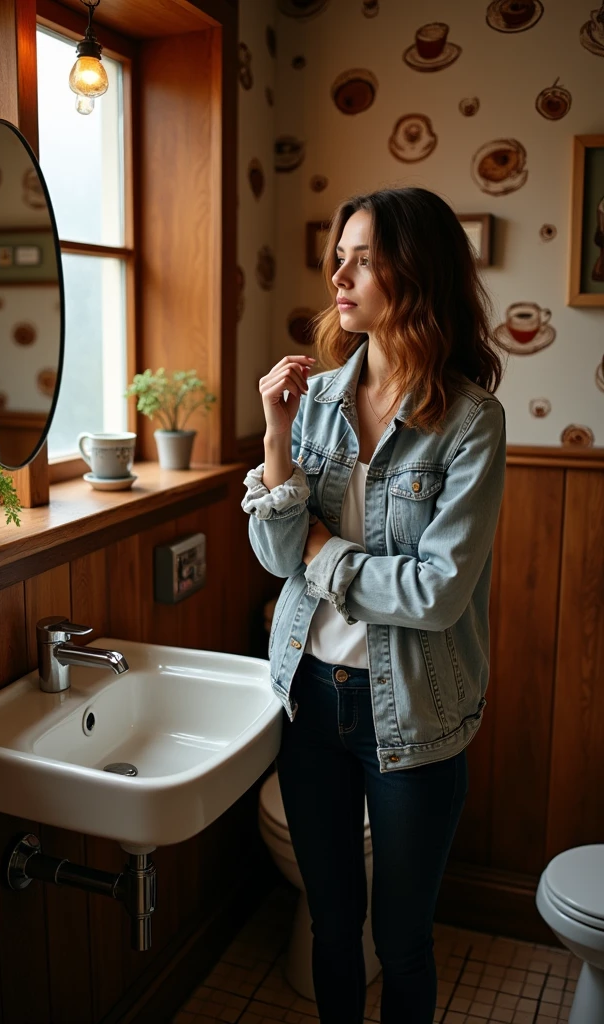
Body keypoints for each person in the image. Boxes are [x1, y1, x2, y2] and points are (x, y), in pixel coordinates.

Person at [240, 186, 507, 1024]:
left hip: (416, 714)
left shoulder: (470, 422)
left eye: (363, 258)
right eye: (338, 256)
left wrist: (323, 551)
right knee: (330, 927)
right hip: (309, 697)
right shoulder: (314, 400)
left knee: (403, 943)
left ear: (416, 272)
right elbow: (274, 556)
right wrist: (278, 443)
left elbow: (434, 593)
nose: (338, 275)